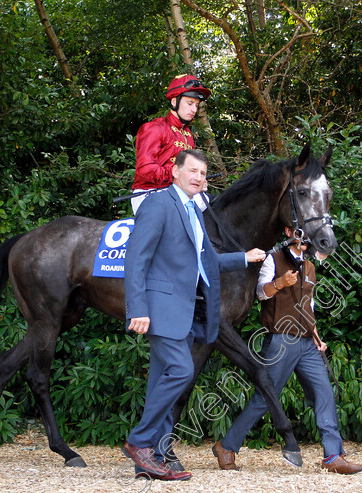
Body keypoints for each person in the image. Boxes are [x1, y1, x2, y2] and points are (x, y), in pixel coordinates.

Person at [122, 149, 266, 481]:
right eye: (193, 171)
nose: (199, 177)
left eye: (203, 173)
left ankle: (153, 455)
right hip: (160, 309)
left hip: (187, 311)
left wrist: (244, 258)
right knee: (182, 370)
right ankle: (139, 441)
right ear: (174, 172)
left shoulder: (194, 211)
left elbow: (206, 262)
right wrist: (138, 309)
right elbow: (135, 259)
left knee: (161, 380)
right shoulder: (159, 204)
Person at [211, 227, 362, 475]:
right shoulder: (272, 259)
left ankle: (333, 456)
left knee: (324, 393)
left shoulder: (310, 267)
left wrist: (317, 337)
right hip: (280, 341)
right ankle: (227, 446)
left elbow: (310, 306)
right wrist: (280, 283)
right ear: (289, 231)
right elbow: (261, 293)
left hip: (307, 342)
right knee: (264, 399)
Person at [130, 74, 211, 214]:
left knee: (206, 202)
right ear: (175, 102)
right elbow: (145, 170)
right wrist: (178, 175)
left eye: (196, 105)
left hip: (175, 192)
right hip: (149, 192)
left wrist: (197, 181)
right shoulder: (154, 128)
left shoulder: (188, 135)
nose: (194, 110)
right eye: (190, 103)